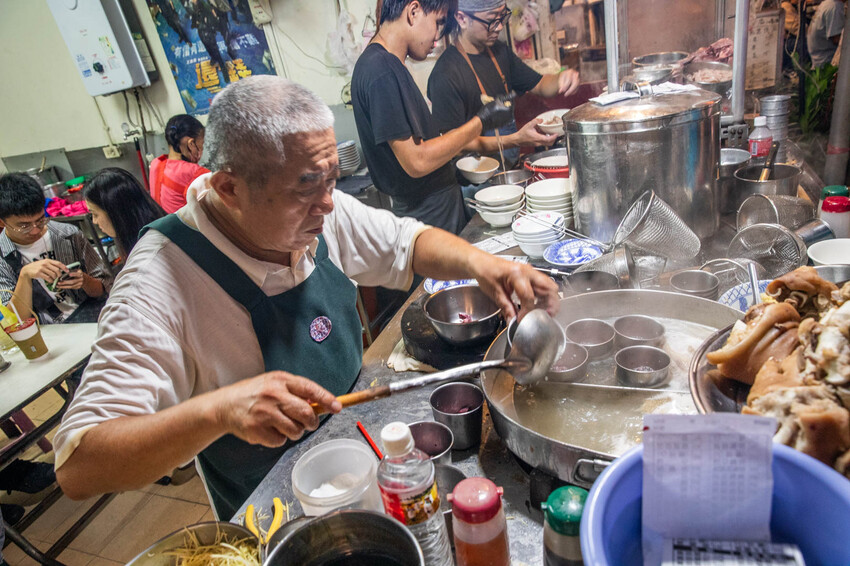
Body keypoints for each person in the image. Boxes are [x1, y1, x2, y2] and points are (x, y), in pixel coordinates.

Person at [53, 75, 558, 519]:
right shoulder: (158, 282)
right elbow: (78, 464)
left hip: (358, 458)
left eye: (332, 178)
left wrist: (486, 264)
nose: (329, 203)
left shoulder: (315, 210)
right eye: (306, 187)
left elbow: (407, 241)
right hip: (276, 514)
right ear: (228, 188)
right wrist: (218, 411)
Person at [352, 0, 518, 235]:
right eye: (438, 22)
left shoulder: (387, 65)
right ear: (413, 11)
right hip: (427, 214)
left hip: (435, 207)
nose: (438, 37)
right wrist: (482, 120)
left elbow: (420, 146)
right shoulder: (381, 71)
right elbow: (417, 162)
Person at [428, 0, 580, 169]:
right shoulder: (445, 74)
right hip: (476, 183)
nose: (499, 27)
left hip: (509, 167)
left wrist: (561, 78)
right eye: (492, 20)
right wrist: (515, 139)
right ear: (462, 18)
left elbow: (540, 84)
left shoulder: (499, 52)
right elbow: (453, 144)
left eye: (502, 17)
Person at [0, 174, 111, 324]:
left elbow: (103, 289)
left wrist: (84, 280)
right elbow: (15, 321)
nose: (34, 231)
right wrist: (24, 276)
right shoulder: (2, 256)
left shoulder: (68, 234)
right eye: (24, 226)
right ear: (2, 222)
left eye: (40, 220)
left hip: (88, 315)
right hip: (44, 330)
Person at [85, 168, 166, 262]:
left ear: (116, 213)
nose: (94, 221)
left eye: (95, 214)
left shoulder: (148, 252)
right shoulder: (154, 230)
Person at [149, 114, 210, 214]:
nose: (202, 150)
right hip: (185, 229)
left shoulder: (156, 163)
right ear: (191, 144)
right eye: (201, 144)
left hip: (160, 227)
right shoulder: (195, 173)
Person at [807, 0, 846, 68]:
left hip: (818, 58)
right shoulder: (835, 7)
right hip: (826, 63)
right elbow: (837, 39)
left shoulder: (827, 3)